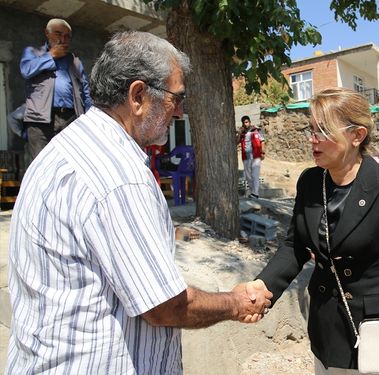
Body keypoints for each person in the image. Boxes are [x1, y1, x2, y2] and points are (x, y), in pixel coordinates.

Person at [7, 31, 272, 374]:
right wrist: (234, 303)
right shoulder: (120, 175)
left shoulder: (66, 147)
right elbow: (164, 306)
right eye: (177, 98)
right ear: (137, 96)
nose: (180, 112)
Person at [255, 87, 379, 374]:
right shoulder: (310, 182)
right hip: (327, 330)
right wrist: (263, 286)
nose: (312, 139)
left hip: (377, 335)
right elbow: (295, 246)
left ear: (357, 136)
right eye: (312, 129)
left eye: (324, 130)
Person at [20, 18, 92, 159]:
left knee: (70, 160)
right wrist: (51, 55)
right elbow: (26, 70)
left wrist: (89, 119)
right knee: (41, 163)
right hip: (40, 120)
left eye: (67, 36)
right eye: (58, 34)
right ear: (47, 33)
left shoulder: (74, 60)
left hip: (71, 118)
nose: (63, 39)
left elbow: (86, 91)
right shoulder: (33, 52)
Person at [237, 115, 266, 198]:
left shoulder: (257, 130)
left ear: (249, 122)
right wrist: (239, 133)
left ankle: (255, 193)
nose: (245, 124)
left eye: (246, 122)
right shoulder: (242, 133)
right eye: (244, 123)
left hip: (256, 156)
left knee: (255, 175)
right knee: (248, 176)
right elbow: (236, 142)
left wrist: (263, 152)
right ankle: (252, 192)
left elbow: (262, 141)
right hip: (246, 157)